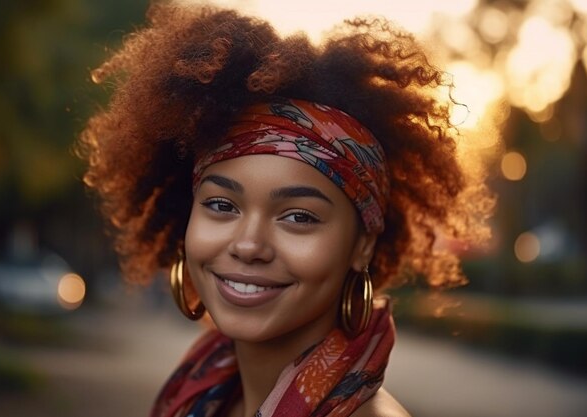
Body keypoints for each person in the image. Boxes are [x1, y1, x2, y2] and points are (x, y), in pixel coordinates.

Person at [79, 2, 492, 416]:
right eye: (222, 205)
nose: (248, 244)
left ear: (362, 245)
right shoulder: (200, 392)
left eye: (298, 216)